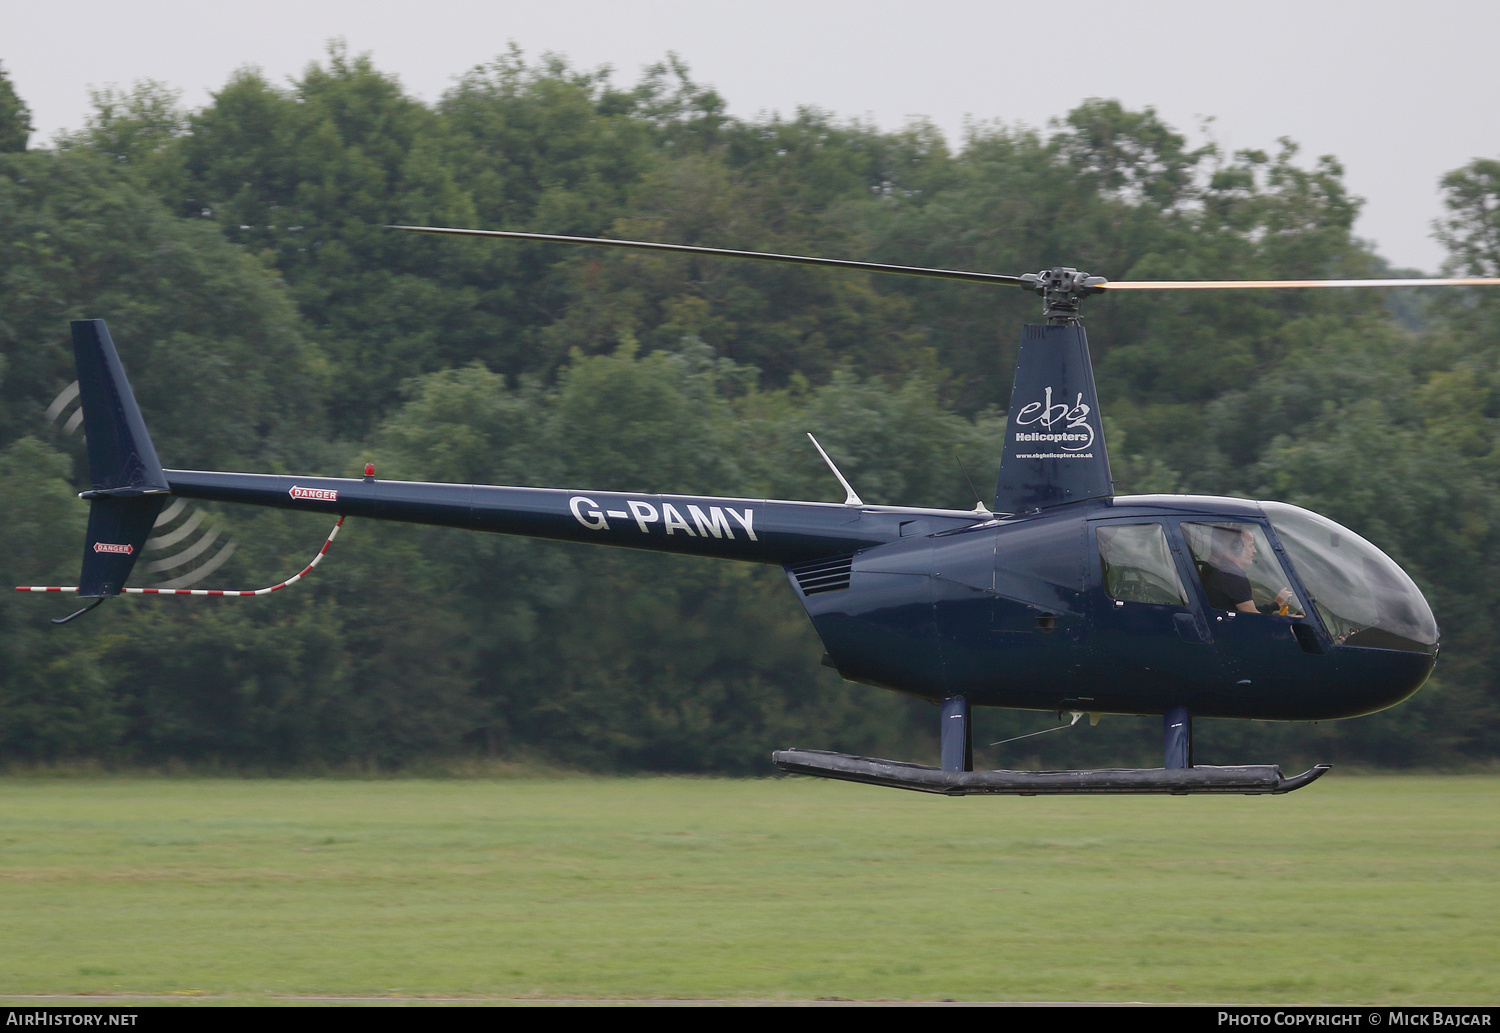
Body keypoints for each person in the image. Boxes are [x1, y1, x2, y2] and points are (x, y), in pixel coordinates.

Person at [1202, 527, 1298, 615]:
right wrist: (1285, 620)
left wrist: (1275, 606)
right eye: (1251, 546)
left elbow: (1247, 609)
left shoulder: (1224, 571)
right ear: (1237, 548)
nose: (1254, 551)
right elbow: (1254, 618)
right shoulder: (1232, 576)